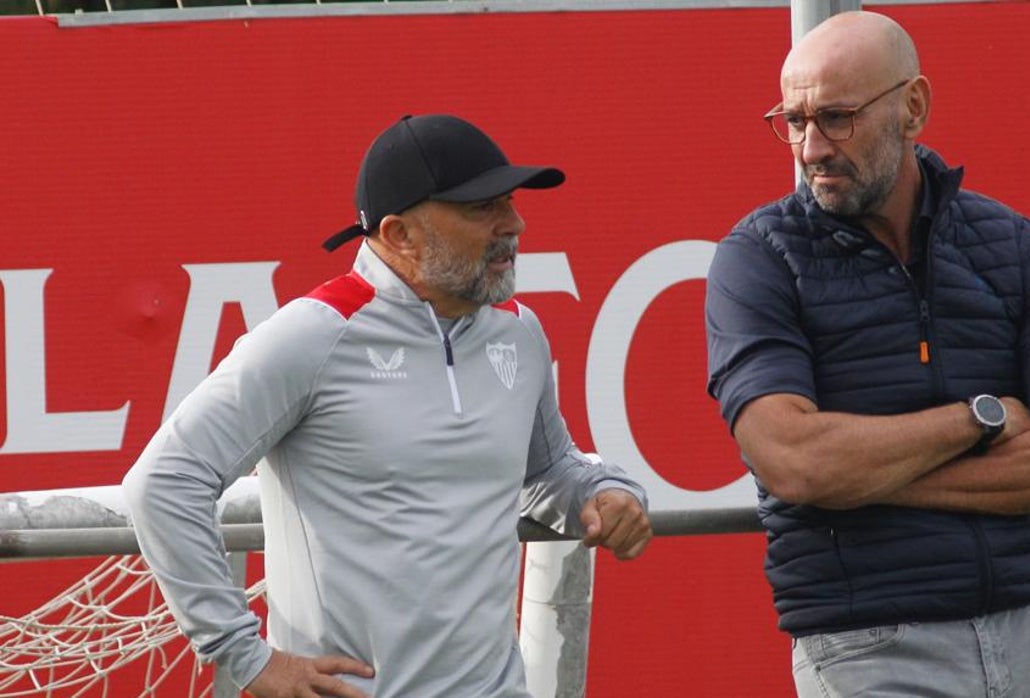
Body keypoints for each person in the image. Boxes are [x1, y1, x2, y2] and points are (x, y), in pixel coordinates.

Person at [123, 114, 652, 698]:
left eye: (510, 202)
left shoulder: (519, 331)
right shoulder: (314, 334)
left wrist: (609, 494)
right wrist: (245, 657)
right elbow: (164, 482)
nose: (515, 225)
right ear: (400, 235)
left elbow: (548, 472)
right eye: (484, 208)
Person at [705, 11, 1030, 697]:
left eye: (837, 117)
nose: (811, 148)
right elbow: (795, 461)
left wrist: (871, 481)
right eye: (793, 121)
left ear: (913, 107)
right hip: (867, 647)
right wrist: (977, 420)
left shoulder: (1021, 247)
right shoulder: (756, 260)